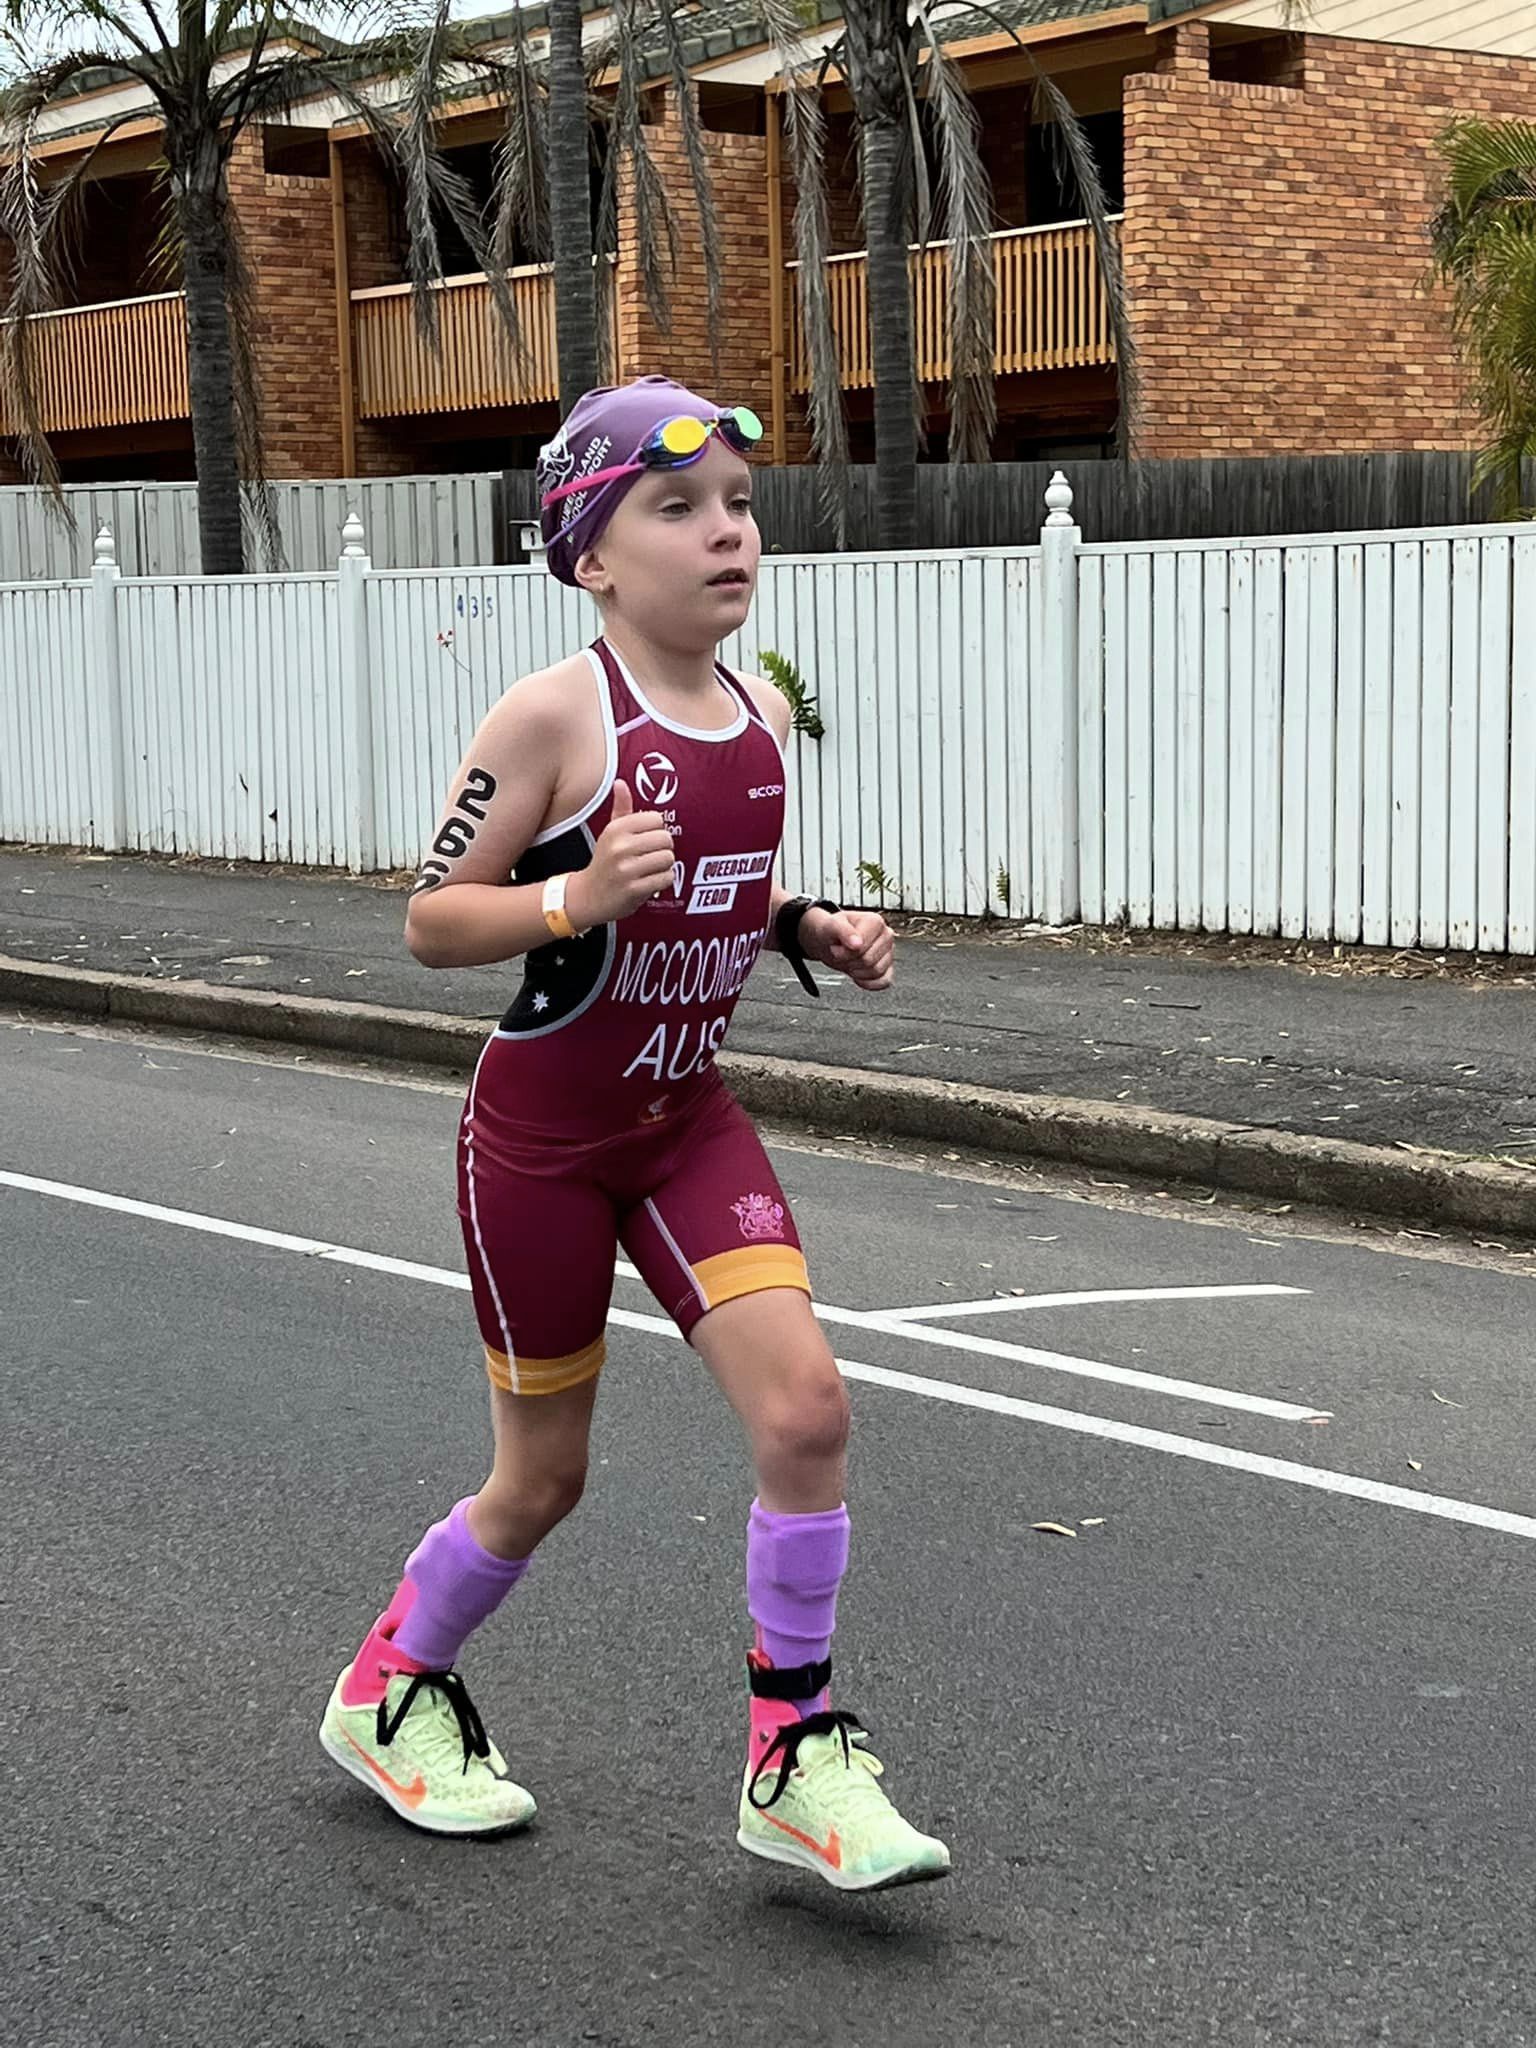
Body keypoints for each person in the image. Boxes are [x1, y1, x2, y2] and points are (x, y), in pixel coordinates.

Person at [319, 375, 950, 1892]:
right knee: (543, 1479)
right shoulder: (553, 714)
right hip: (540, 1147)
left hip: (686, 1127)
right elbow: (431, 922)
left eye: (738, 504)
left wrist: (805, 924)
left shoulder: (763, 715)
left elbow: (718, 882)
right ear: (592, 556)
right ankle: (388, 1689)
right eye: (678, 508)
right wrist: (577, 896)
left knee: (808, 1413)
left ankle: (792, 1757)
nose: (727, 533)